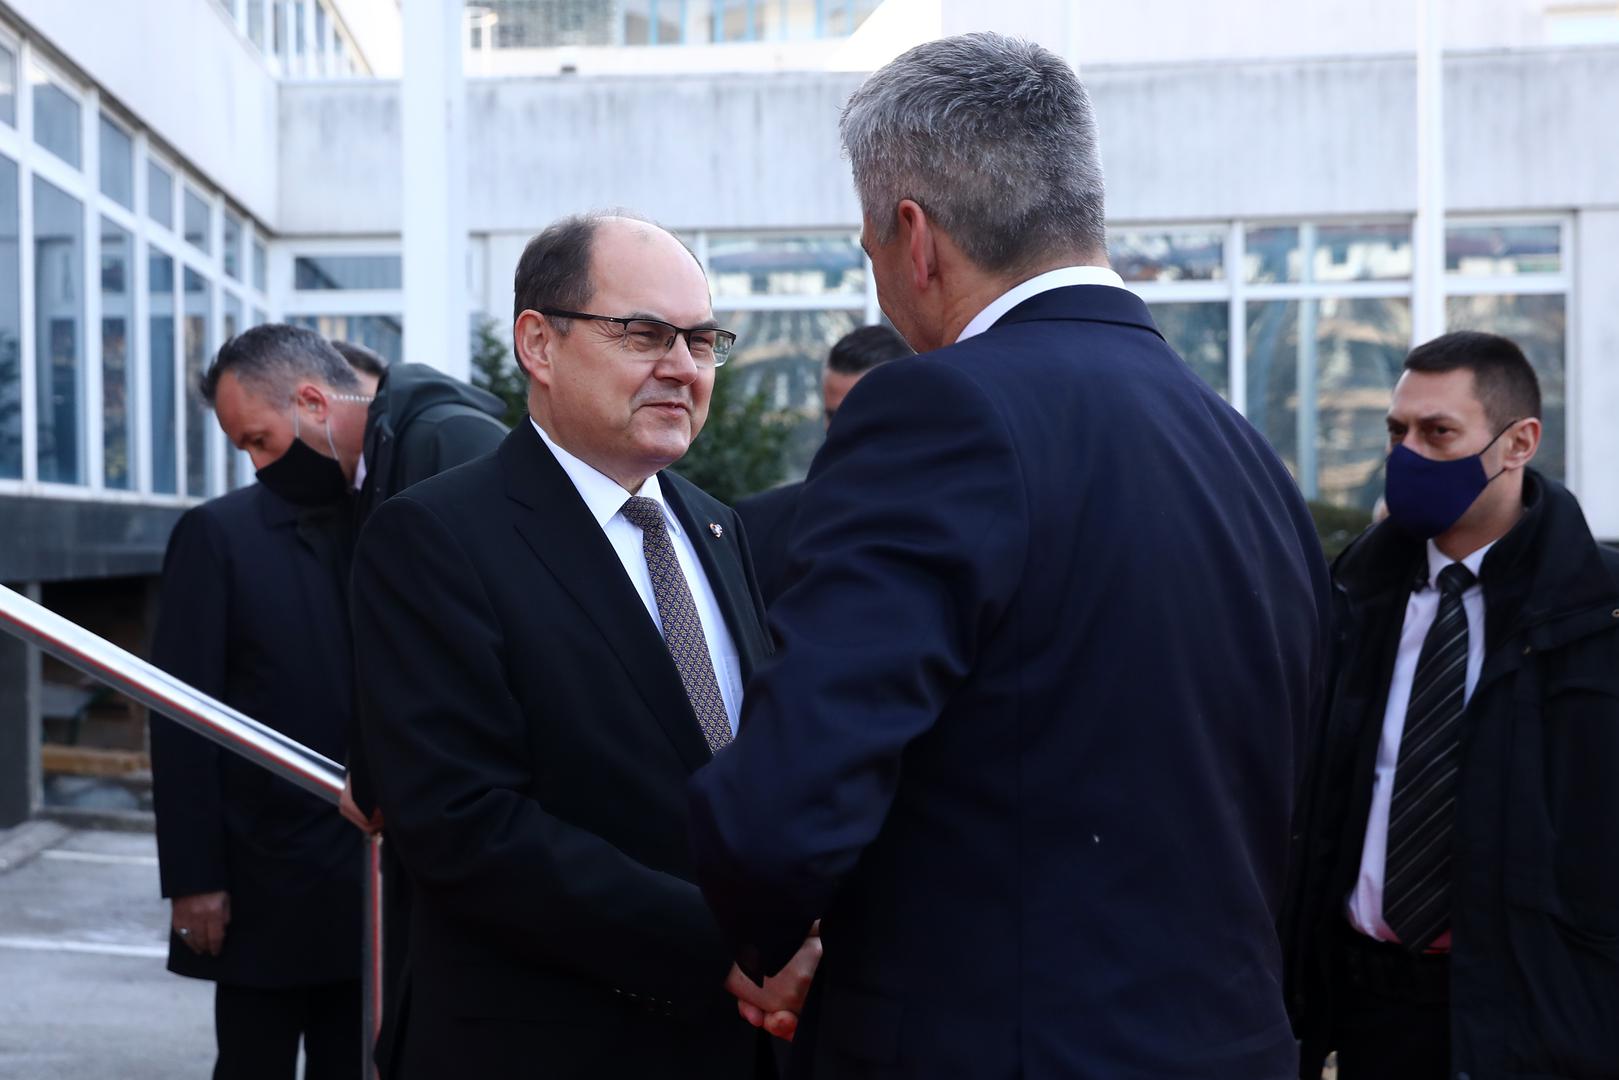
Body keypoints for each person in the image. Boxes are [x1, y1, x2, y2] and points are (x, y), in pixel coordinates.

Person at [686, 33, 1331, 1079]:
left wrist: (767, 937)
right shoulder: (1240, 449)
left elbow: (787, 803)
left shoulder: (937, 410)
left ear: (913, 237)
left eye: (866, 250)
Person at [348, 213, 818, 1079]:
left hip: (736, 1041)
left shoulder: (716, 526)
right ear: (539, 342)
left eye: (701, 340)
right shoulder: (436, 536)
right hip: (544, 1041)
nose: (682, 366)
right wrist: (718, 944)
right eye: (642, 333)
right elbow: (461, 822)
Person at [1285, 331, 1619, 1079]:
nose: (1407, 455)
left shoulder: (1597, 614)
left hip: (1535, 1018)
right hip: (1368, 1009)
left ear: (1518, 443)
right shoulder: (1349, 599)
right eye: (1396, 432)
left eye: (1438, 433)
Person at [149, 331, 374, 1079]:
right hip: (260, 882)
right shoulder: (217, 535)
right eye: (243, 447)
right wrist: (193, 880)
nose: (256, 463)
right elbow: (179, 719)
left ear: (312, 405)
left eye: (258, 440)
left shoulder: (388, 518)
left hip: (371, 881)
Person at [736, 324, 910, 606]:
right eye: (833, 415)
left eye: (859, 414)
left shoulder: (954, 523)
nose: (842, 430)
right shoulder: (757, 525)